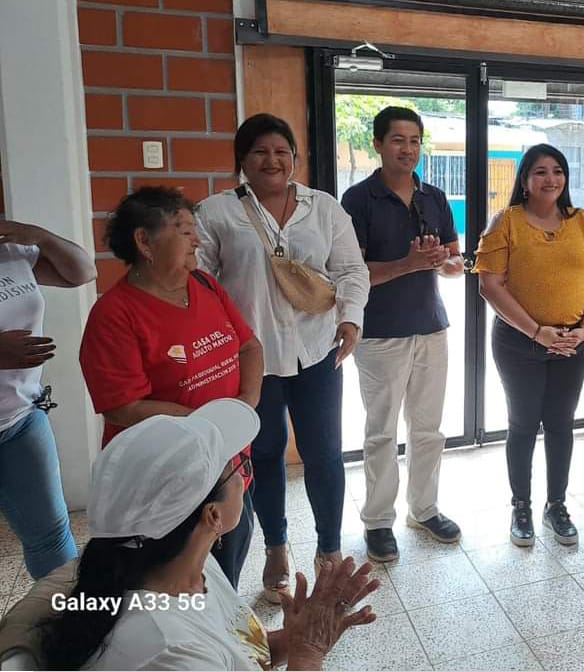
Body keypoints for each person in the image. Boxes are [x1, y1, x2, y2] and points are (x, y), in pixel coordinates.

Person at [39, 399, 381, 671]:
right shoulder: (165, 650)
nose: (244, 477)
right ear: (212, 515)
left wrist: (294, 638)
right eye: (236, 468)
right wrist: (308, 653)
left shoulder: (187, 565)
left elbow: (239, 653)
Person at [196, 114, 370, 597]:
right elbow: (200, 283)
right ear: (242, 159)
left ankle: (329, 548)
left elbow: (351, 270)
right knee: (266, 453)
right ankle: (276, 547)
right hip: (252, 360)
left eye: (281, 151)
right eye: (260, 152)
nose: (272, 160)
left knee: (324, 454)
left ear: (295, 157)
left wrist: (351, 318)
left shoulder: (323, 207)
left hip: (318, 353)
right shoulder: (215, 212)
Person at [80, 187, 264, 590]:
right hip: (168, 485)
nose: (197, 240)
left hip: (228, 467)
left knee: (225, 577)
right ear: (144, 242)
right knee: (176, 589)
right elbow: (123, 407)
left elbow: (249, 346)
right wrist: (208, 425)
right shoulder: (114, 315)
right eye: (184, 231)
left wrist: (242, 409)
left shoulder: (205, 285)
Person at [340, 106, 464, 564]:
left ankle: (424, 509)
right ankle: (377, 521)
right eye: (398, 140)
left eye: (414, 141)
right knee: (381, 431)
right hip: (380, 334)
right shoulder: (358, 200)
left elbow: (456, 262)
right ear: (378, 144)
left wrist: (443, 262)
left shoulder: (434, 197)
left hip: (431, 326)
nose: (407, 149)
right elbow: (352, 274)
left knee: (428, 428)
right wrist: (408, 264)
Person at [475, 143, 584, 548]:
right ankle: (521, 506)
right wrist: (537, 332)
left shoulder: (582, 221)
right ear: (525, 180)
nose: (550, 179)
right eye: (540, 171)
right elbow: (490, 286)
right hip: (519, 344)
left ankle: (557, 505)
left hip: (573, 342)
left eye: (557, 171)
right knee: (523, 423)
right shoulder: (506, 222)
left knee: (560, 422)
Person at [0, 219, 95, 579]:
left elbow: (82, 272)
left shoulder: (10, 250)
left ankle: (66, 612)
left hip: (21, 418)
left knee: (51, 537)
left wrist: (39, 236)